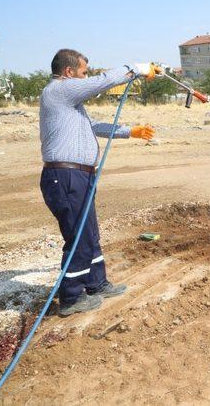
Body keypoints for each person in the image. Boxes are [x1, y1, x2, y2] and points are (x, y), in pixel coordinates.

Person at [39, 48, 159, 316]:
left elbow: (93, 127)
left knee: (89, 232)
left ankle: (96, 283)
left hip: (79, 176)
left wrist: (131, 132)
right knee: (78, 236)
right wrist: (135, 68)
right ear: (69, 72)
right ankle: (70, 297)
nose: (86, 77)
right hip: (65, 176)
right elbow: (101, 82)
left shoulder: (70, 105)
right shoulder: (58, 90)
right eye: (83, 72)